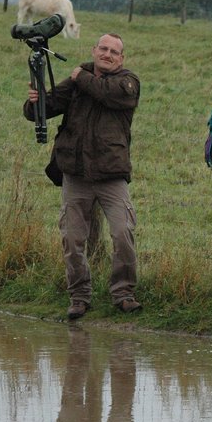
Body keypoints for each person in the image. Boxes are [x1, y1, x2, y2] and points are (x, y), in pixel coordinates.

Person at [23, 33, 141, 320]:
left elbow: (108, 94)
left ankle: (123, 293)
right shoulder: (79, 79)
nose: (108, 54)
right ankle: (79, 297)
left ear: (121, 59)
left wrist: (79, 75)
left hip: (111, 174)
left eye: (114, 51)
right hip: (75, 173)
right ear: (94, 50)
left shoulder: (127, 82)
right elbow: (43, 110)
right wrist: (34, 101)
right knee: (73, 240)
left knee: (123, 233)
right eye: (103, 48)